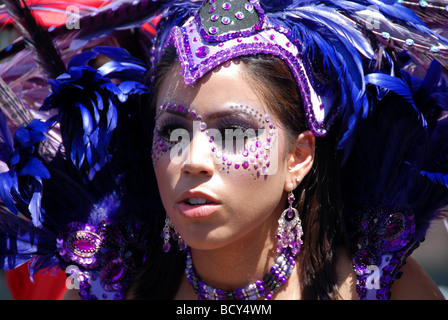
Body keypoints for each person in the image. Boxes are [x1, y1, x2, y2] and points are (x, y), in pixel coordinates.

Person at [0, 0, 447, 300]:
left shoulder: (373, 284)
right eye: (173, 134)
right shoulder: (110, 286)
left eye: (233, 132)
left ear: (298, 157)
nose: (192, 160)